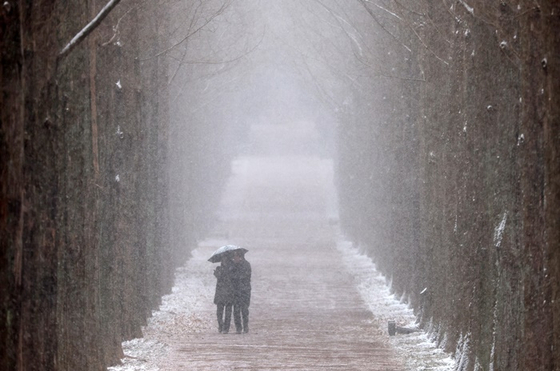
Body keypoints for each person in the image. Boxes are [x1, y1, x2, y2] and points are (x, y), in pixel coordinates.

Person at [231, 250, 251, 334]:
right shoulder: (233, 266)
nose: (234, 258)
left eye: (235, 256)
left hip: (244, 291)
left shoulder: (246, 265)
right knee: (236, 310)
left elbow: (245, 276)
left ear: (240, 257)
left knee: (244, 310)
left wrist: (236, 276)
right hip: (236, 291)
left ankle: (245, 326)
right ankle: (238, 328)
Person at [213, 253, 234, 334]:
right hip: (220, 293)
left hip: (229, 292)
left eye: (225, 258)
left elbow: (233, 278)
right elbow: (218, 277)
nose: (224, 260)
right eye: (223, 259)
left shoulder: (232, 268)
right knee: (219, 312)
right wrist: (217, 274)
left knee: (228, 312)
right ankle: (221, 325)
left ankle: (226, 327)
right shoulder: (219, 268)